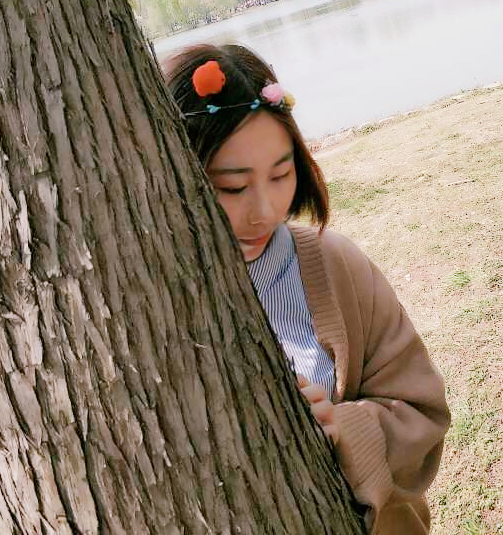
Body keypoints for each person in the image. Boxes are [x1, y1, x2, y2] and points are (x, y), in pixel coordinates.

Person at [164, 43, 450, 534]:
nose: (264, 211)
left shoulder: (335, 265)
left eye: (281, 174)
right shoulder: (149, 299)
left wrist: (345, 428)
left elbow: (423, 412)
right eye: (232, 187)